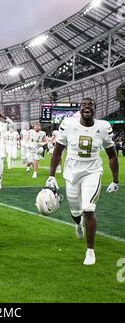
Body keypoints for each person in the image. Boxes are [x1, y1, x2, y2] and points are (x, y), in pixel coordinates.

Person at [46, 97, 119, 266]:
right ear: (80, 109)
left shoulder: (103, 127)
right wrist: (51, 175)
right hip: (71, 173)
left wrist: (115, 180)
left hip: (92, 171)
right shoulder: (68, 125)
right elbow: (57, 152)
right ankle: (78, 225)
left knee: (88, 208)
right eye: (84, 104)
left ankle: (90, 250)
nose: (87, 107)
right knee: (76, 211)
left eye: (90, 105)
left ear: (95, 109)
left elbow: (112, 155)